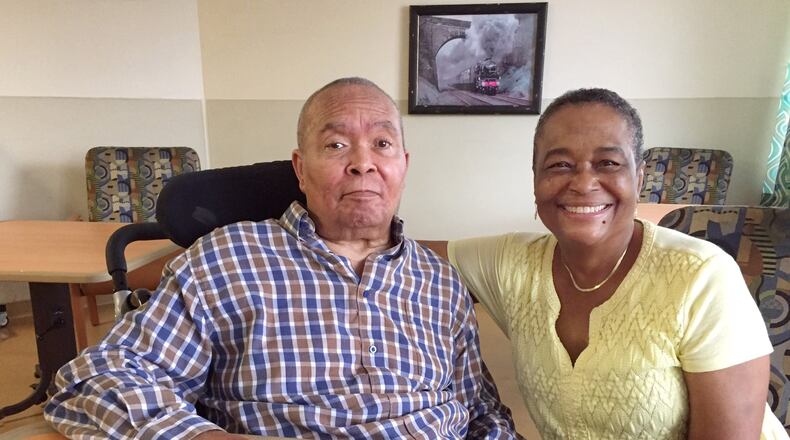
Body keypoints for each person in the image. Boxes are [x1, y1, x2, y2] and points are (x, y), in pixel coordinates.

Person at [43, 77, 519, 439]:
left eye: (382, 143)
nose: (363, 162)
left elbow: (482, 413)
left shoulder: (440, 282)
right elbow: (96, 379)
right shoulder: (225, 260)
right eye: (335, 145)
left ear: (403, 166)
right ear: (300, 169)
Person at [425, 88, 787, 439]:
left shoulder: (702, 277)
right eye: (559, 164)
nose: (583, 183)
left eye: (608, 163)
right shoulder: (512, 264)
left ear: (639, 177)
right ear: (535, 178)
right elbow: (401, 255)